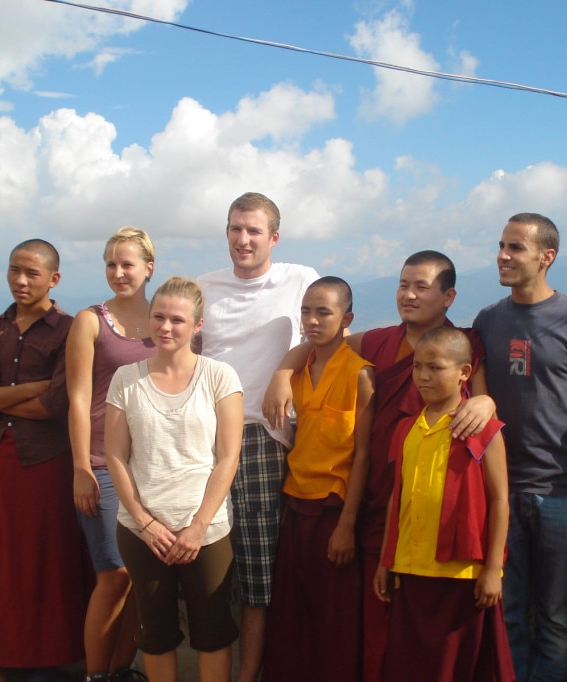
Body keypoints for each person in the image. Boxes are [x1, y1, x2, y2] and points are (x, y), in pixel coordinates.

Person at [263, 250, 496, 681]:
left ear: (448, 297)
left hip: (433, 501)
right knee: (376, 612)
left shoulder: (463, 345)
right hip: (379, 497)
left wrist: (485, 399)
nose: (407, 295)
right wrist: (282, 372)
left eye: (420, 287)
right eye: (403, 285)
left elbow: (479, 400)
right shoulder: (379, 341)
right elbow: (324, 341)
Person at [472, 213, 567, 682]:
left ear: (546, 257)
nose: (503, 256)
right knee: (506, 612)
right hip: (503, 490)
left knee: (555, 618)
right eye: (502, 245)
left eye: (516, 248)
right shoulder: (488, 320)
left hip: (563, 492)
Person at [0, 239, 91, 682]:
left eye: (32, 273)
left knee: (45, 563)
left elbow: (55, 406)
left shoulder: (68, 329)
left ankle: (45, 661)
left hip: (46, 465)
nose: (21, 281)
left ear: (54, 279)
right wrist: (28, 389)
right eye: (15, 270)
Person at [197, 192, 320, 682]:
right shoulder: (205, 287)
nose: (243, 240)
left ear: (274, 237)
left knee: (256, 573)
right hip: (204, 439)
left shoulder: (299, 279)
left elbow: (325, 334)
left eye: (253, 231)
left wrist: (283, 374)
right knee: (204, 567)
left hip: (264, 440)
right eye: (234, 229)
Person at [104, 276, 243, 682]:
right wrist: (145, 522)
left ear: (197, 325)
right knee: (155, 633)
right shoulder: (126, 380)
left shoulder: (219, 377)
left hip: (207, 530)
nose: (166, 327)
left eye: (177, 320)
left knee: (213, 631)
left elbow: (227, 457)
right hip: (141, 529)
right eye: (159, 317)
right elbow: (116, 455)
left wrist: (198, 526)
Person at [374, 327, 513, 682]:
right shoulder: (406, 429)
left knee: (457, 667)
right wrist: (386, 561)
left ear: (464, 372)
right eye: (418, 367)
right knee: (411, 665)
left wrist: (492, 568)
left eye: (435, 368)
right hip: (411, 567)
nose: (423, 377)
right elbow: (397, 498)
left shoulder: (484, 429)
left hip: (461, 574)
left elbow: (499, 500)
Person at [262, 277, 375, 681]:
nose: (312, 320)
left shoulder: (361, 374)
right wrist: (279, 373)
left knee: (334, 616)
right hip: (296, 501)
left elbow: (363, 455)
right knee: (294, 611)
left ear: (346, 318)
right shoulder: (300, 369)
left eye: (323, 312)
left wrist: (347, 524)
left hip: (334, 508)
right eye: (306, 311)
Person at [67, 227, 157, 682]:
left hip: (153, 468)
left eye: (127, 264)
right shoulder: (90, 321)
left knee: (142, 579)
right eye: (110, 264)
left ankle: (122, 670)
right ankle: (96, 674)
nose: (118, 273)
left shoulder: (164, 320)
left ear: (149, 268)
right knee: (115, 574)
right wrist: (82, 467)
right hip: (103, 464)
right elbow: (79, 399)